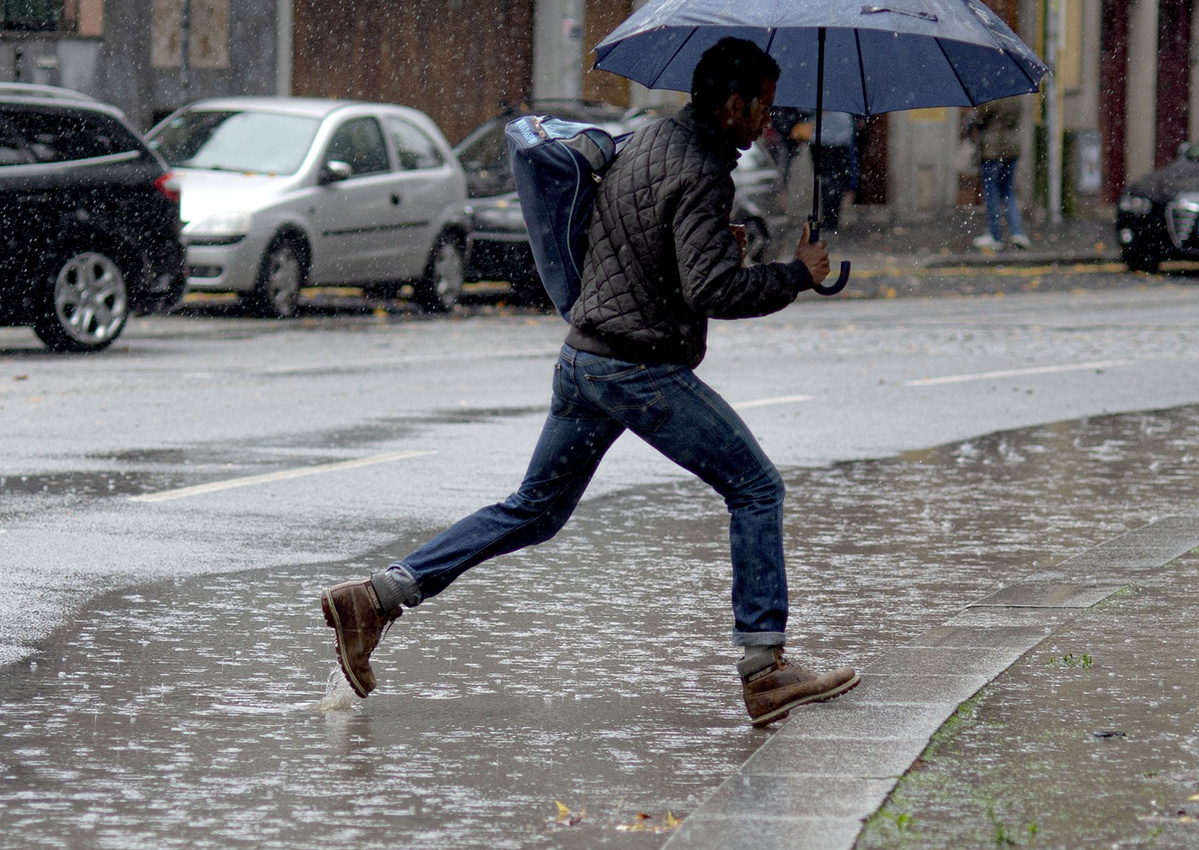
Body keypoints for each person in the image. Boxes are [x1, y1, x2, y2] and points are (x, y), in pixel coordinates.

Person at [319, 37, 860, 728]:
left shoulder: (648, 137)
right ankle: (766, 669)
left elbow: (646, 249)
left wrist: (711, 247)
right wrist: (797, 274)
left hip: (584, 358)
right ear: (732, 104)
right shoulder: (701, 173)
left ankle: (378, 596)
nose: (768, 120)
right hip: (637, 368)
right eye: (762, 105)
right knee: (756, 486)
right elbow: (714, 290)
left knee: (533, 510)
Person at [969, 94, 1030, 250]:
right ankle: (1017, 233)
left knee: (991, 192)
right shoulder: (1016, 95)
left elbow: (981, 118)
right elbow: (1017, 118)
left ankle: (995, 235)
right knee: (1008, 191)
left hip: (992, 148)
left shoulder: (991, 95)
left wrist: (973, 119)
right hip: (1011, 147)